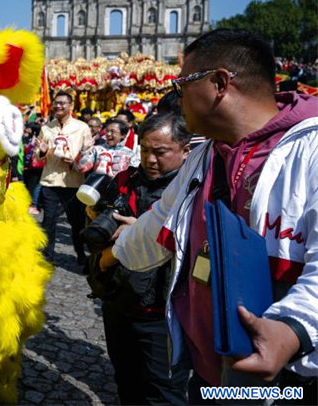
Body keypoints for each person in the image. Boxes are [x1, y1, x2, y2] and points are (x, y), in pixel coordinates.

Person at [101, 29, 318, 400]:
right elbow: (160, 222)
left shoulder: (309, 151)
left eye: (182, 82)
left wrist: (294, 328)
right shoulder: (205, 155)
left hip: (287, 381)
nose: (175, 95)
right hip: (207, 374)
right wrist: (111, 256)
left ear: (219, 83)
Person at [84, 112, 192, 404]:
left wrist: (141, 232)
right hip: (118, 300)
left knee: (163, 392)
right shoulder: (123, 180)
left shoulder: (191, 191)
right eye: (144, 150)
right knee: (126, 380)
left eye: (160, 152)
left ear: (186, 150)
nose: (150, 160)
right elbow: (93, 237)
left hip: (163, 314)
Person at [34, 91, 93, 264]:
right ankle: (47, 256)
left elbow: (89, 154)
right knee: (49, 221)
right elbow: (37, 157)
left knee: (76, 222)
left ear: (70, 105)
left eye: (62, 103)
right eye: (56, 103)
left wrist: (75, 161)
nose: (58, 106)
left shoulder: (82, 127)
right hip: (50, 180)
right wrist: (44, 151)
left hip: (73, 181)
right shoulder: (46, 128)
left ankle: (80, 254)